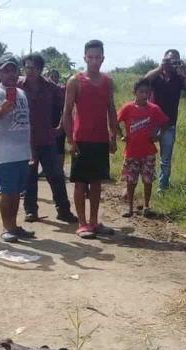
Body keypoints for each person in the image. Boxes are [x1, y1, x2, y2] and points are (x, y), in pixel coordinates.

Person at [62, 40, 117, 239]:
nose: (94, 61)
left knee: (96, 182)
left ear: (103, 58)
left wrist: (113, 135)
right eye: (90, 57)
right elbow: (67, 112)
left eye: (97, 57)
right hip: (81, 138)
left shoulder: (107, 81)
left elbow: (111, 109)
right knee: (80, 183)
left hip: (100, 139)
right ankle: (82, 223)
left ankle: (94, 222)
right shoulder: (75, 81)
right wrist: (70, 139)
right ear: (85, 58)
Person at [19, 54, 76, 223]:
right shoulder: (18, 87)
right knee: (29, 177)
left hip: (47, 139)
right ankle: (30, 211)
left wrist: (60, 127)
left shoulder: (50, 87)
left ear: (40, 69)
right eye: (27, 67)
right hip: (25, 140)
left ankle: (63, 210)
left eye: (34, 67)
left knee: (56, 176)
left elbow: (66, 107)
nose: (30, 71)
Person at [0, 53, 35, 243]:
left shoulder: (21, 93)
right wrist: (3, 109)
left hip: (22, 153)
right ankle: (6, 228)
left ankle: (14, 226)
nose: (9, 74)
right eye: (5, 70)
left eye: (13, 69)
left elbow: (26, 123)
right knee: (7, 192)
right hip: (4, 154)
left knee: (16, 193)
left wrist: (31, 151)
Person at [142, 49, 186, 192]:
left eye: (175, 60)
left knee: (165, 160)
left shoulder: (179, 78)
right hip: (151, 122)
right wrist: (160, 67)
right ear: (163, 59)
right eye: (169, 60)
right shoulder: (156, 76)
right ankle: (140, 183)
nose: (171, 63)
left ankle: (162, 188)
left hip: (169, 124)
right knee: (145, 155)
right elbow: (144, 80)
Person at [117, 79, 169, 218]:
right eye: (141, 92)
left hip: (148, 152)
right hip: (131, 152)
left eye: (147, 92)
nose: (144, 95)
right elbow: (115, 121)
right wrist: (121, 135)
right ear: (135, 92)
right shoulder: (127, 108)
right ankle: (130, 208)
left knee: (148, 180)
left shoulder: (154, 109)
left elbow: (165, 123)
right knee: (131, 181)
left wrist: (158, 135)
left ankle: (146, 206)